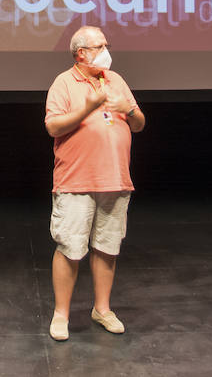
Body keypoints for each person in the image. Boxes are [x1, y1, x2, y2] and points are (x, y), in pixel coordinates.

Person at [44, 25, 145, 341]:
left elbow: (140, 123)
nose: (106, 50)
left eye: (106, 45)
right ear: (81, 53)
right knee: (70, 247)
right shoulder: (64, 82)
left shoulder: (116, 81)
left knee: (107, 247)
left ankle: (102, 309)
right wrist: (87, 108)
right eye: (100, 46)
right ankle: (61, 314)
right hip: (76, 180)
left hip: (115, 180)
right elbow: (53, 126)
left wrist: (127, 108)